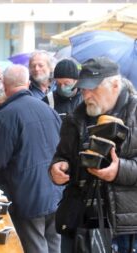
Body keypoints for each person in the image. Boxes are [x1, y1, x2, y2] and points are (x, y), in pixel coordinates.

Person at [49, 57, 137, 252]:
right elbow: (62, 155)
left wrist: (119, 170)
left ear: (115, 85)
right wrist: (57, 168)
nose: (86, 95)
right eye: (83, 88)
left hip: (123, 229)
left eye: (93, 88)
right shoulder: (76, 118)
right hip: (78, 221)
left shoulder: (134, 112)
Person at [0, 64, 62, 253]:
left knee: (35, 247)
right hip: (55, 191)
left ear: (5, 86)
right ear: (28, 83)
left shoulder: (6, 116)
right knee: (54, 245)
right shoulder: (48, 110)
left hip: (28, 194)